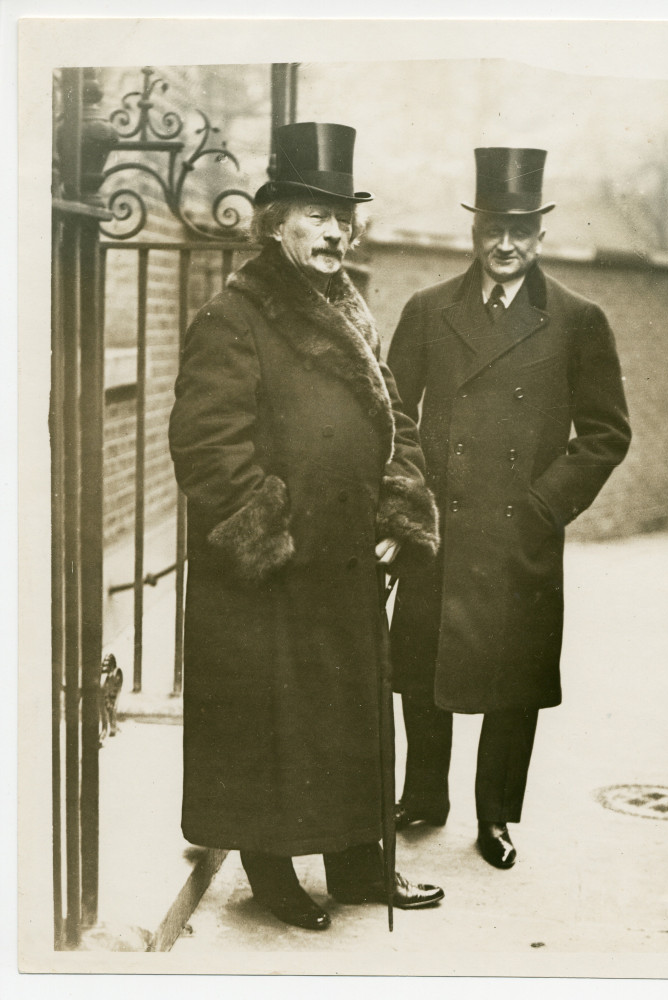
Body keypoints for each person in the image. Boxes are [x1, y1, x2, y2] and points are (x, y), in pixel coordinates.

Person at [169, 122, 444, 931]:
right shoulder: (234, 314)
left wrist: (399, 508)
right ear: (274, 224)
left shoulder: (347, 310)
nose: (336, 232)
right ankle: (271, 874)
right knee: (275, 724)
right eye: (317, 216)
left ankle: (359, 867)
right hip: (276, 570)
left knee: (347, 717)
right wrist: (270, 540)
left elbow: (396, 420)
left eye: (344, 219)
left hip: (351, 558)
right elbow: (206, 444)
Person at [388, 147, 632, 869]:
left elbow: (605, 433)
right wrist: (407, 505)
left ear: (540, 236)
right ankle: (423, 795)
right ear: (473, 229)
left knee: (509, 684)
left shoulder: (577, 319)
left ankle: (495, 817)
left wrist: (541, 507)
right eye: (493, 227)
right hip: (439, 527)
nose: (504, 244)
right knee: (422, 670)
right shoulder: (427, 310)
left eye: (519, 231)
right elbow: (394, 416)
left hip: (518, 532)